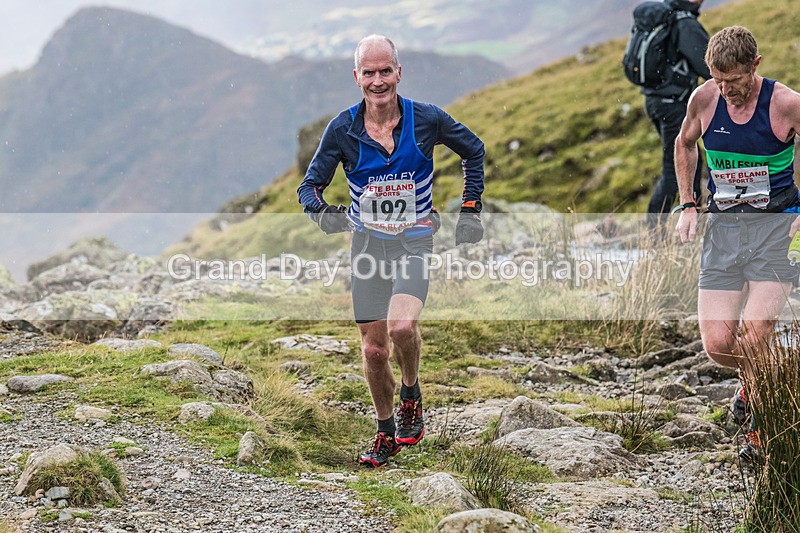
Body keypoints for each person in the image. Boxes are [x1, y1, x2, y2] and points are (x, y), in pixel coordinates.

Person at [297, 35, 485, 467]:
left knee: (402, 328)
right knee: (373, 351)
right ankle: (384, 432)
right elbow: (309, 187)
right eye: (369, 73)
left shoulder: (426, 120)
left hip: (414, 242)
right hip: (366, 248)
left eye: (386, 71)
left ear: (399, 72)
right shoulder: (342, 129)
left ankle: (411, 393)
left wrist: (470, 209)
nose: (378, 81)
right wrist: (325, 215)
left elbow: (473, 150)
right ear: (357, 77)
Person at [674, 25, 800, 460]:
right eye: (718, 79)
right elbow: (685, 143)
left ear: (756, 66)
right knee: (718, 345)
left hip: (775, 232)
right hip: (725, 234)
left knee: (756, 332)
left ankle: (761, 435)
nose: (726, 90)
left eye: (735, 80)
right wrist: (689, 204)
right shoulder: (705, 99)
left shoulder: (785, 104)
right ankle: (773, 373)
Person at [643, 0, 710, 224]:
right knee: (676, 169)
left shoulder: (668, 17)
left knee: (692, 161)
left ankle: (697, 223)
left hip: (656, 101)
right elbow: (710, 65)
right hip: (673, 104)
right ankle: (654, 233)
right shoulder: (684, 23)